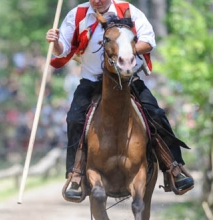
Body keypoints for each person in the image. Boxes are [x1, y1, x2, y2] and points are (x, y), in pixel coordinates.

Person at [46, 0, 194, 199]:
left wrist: (124, 49)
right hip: (91, 82)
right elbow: (61, 51)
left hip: (126, 79)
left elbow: (149, 41)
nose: (97, 1)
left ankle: (173, 167)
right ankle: (76, 174)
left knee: (156, 114)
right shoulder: (78, 14)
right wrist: (54, 41)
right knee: (74, 118)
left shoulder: (128, 10)